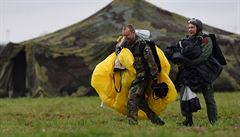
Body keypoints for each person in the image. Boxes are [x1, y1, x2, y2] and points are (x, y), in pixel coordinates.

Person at [165, 18, 224, 126]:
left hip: (204, 72)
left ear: (198, 27)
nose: (190, 29)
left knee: (208, 97)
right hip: (189, 73)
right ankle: (188, 120)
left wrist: (189, 62)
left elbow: (204, 55)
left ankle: (214, 121)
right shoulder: (187, 40)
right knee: (185, 95)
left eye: (192, 27)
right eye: (189, 27)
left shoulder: (206, 39)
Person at [120, 24, 165, 125]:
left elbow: (152, 63)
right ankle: (157, 121)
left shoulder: (142, 46)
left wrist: (155, 80)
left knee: (132, 97)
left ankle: (132, 124)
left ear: (133, 33)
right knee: (140, 102)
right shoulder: (125, 44)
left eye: (127, 35)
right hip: (131, 77)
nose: (125, 37)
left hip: (142, 77)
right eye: (124, 35)